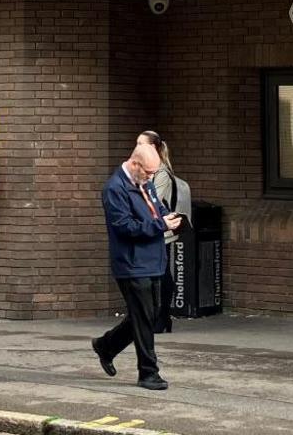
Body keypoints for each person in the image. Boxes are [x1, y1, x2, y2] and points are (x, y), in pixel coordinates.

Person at [92, 143, 181, 391]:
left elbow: (157, 209)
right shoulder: (115, 189)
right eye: (149, 172)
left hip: (153, 258)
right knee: (143, 319)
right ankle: (148, 372)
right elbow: (124, 227)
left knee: (150, 315)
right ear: (135, 164)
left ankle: (107, 345)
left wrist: (168, 218)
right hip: (131, 262)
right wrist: (160, 225)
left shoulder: (145, 183)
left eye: (154, 173)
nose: (152, 177)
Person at [137, 131, 192, 334]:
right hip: (149, 230)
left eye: (141, 144)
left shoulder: (161, 174)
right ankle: (157, 317)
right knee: (156, 273)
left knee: (160, 274)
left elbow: (152, 202)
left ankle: (162, 317)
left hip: (161, 231)